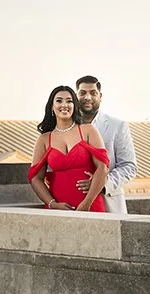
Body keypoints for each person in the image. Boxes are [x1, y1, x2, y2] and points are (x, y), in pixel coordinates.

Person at [27, 84, 110, 212]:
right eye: (59, 101)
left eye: (69, 101)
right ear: (52, 107)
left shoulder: (88, 130)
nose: (64, 105)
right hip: (59, 210)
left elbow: (103, 167)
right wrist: (52, 204)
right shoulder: (44, 139)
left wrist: (86, 204)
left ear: (75, 106)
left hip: (90, 206)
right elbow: (35, 178)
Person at [73, 74, 137, 214]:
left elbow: (129, 166)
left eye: (93, 93)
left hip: (108, 203)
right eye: (82, 93)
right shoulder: (67, 127)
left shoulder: (117, 126)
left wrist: (101, 183)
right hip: (73, 202)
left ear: (100, 96)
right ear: (76, 96)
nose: (87, 97)